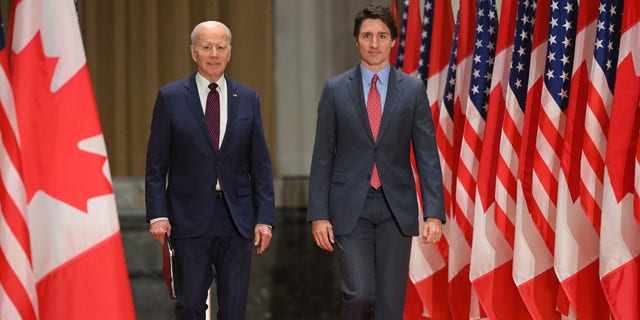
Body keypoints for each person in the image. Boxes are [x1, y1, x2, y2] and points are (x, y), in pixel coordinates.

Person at [307, 4, 446, 319]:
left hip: (395, 208)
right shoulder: (334, 90)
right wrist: (318, 214)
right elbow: (322, 156)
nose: (374, 43)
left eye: (382, 36)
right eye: (367, 35)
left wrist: (435, 212)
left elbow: (426, 154)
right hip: (348, 206)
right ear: (356, 40)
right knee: (358, 293)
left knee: (389, 304)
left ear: (393, 41)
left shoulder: (412, 90)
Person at [145, 21, 275, 320]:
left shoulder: (249, 99)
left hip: (236, 218)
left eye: (220, 47)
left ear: (229, 53)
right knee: (190, 306)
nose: (213, 54)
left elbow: (261, 165)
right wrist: (158, 214)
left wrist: (265, 218)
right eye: (206, 47)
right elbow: (155, 165)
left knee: (233, 309)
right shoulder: (171, 97)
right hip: (187, 218)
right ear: (194, 53)